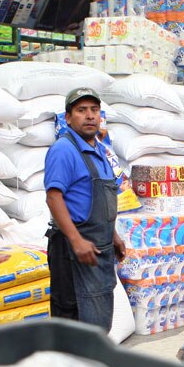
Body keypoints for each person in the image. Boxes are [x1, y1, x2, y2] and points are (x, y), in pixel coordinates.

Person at [44, 88, 126, 330]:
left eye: (94, 110)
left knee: (97, 318)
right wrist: (76, 240)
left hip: (98, 248)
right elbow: (54, 197)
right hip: (71, 250)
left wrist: (114, 236)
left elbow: (98, 199)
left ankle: (90, 365)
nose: (90, 116)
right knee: (71, 322)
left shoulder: (100, 150)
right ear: (68, 118)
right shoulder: (64, 150)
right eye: (81, 110)